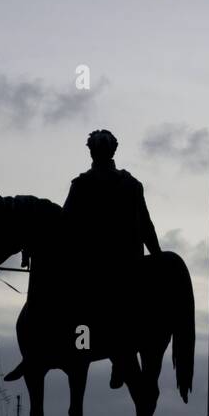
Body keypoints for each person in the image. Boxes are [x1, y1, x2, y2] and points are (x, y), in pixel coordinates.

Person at [62, 129, 161, 388]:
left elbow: (64, 225)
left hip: (93, 265)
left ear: (92, 152)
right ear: (113, 151)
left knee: (71, 305)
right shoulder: (131, 184)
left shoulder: (82, 184)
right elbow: (147, 225)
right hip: (129, 264)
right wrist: (158, 258)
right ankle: (121, 354)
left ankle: (69, 347)